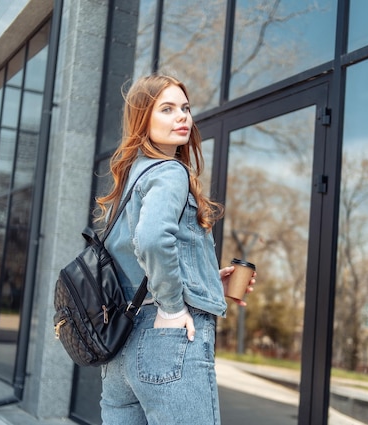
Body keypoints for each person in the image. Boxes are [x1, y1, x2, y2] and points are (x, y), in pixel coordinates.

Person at [94, 74, 255, 425]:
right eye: (166, 109)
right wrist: (171, 305)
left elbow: (135, 259)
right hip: (164, 340)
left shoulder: (132, 178)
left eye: (185, 108)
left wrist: (209, 281)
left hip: (120, 348)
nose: (182, 116)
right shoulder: (169, 172)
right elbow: (151, 239)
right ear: (143, 120)